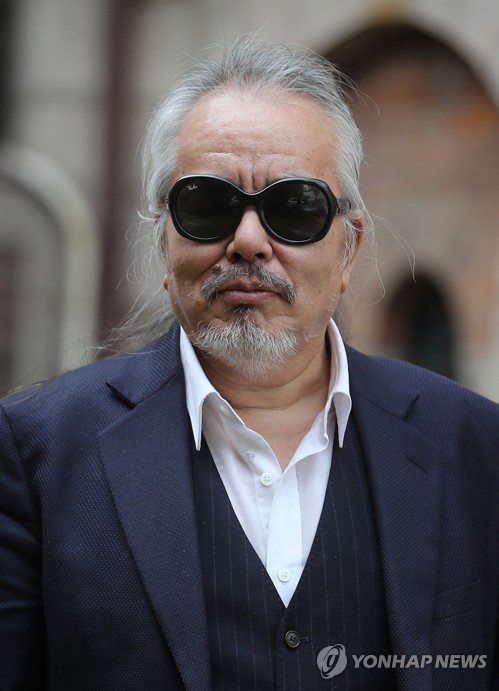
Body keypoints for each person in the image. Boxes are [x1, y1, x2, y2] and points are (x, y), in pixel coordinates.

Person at [0, 35, 498, 691]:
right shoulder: (36, 452)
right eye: (207, 205)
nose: (247, 241)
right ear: (162, 241)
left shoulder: (474, 446)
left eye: (295, 208)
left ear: (348, 250)